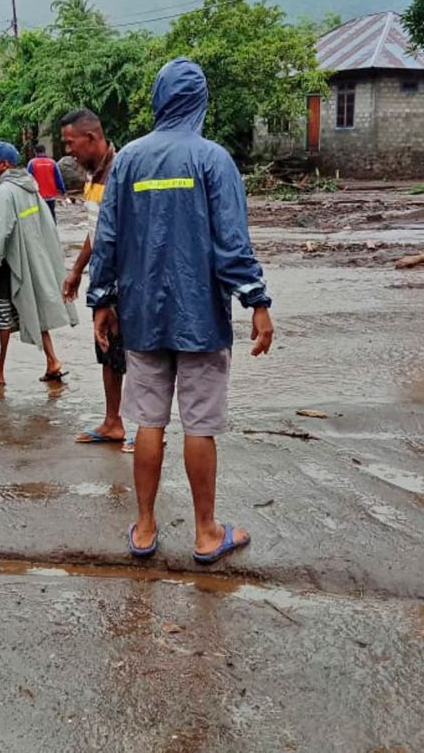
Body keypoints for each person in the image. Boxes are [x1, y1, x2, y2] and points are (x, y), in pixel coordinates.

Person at [88, 58, 274, 565]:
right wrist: (256, 301)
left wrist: (101, 300)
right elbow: (231, 244)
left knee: (148, 422)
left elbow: (107, 237)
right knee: (199, 426)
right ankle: (206, 533)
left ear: (158, 100)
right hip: (202, 318)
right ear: (200, 102)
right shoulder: (213, 160)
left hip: (142, 316)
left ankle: (145, 528)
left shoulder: (127, 161)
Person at [0, 141, 77, 389]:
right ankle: (52, 362)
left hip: (9, 263)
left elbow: (0, 230)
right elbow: (44, 224)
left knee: (2, 315)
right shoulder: (29, 187)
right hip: (30, 258)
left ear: (3, 164)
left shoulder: (5, 191)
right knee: (33, 310)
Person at [60, 109, 125, 447]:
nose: (68, 151)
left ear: (92, 138)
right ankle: (113, 420)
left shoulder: (120, 172)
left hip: (122, 278)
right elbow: (96, 229)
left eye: (71, 143)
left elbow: (122, 234)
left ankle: (145, 426)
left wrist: (111, 292)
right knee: (108, 350)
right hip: (102, 276)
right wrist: (76, 269)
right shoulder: (91, 175)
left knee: (132, 352)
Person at [26, 144, 66, 222]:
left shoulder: (32, 163)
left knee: (38, 216)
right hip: (50, 195)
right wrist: (63, 190)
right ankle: (53, 231)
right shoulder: (52, 162)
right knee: (51, 214)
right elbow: (58, 178)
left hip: (38, 196)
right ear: (45, 151)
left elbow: (28, 179)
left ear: (35, 152)